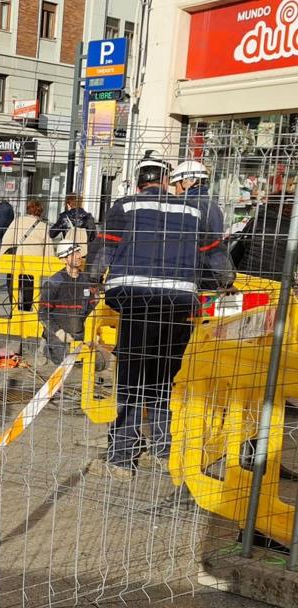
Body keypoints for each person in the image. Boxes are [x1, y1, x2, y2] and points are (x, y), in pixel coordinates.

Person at [85, 152, 235, 480]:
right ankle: (163, 448)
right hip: (180, 303)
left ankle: (122, 455)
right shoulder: (193, 211)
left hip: (136, 301)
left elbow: (103, 253)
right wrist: (224, 283)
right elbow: (217, 260)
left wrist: (91, 282)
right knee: (164, 379)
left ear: (138, 182)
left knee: (131, 380)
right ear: (167, 182)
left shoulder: (124, 207)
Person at [38, 237, 98, 365]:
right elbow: (43, 313)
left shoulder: (86, 281)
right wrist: (59, 332)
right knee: (66, 361)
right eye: (72, 254)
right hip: (59, 333)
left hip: (79, 333)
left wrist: (93, 332)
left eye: (78, 252)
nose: (78, 256)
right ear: (63, 259)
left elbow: (92, 309)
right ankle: (46, 347)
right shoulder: (54, 282)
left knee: (99, 362)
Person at [229, 174, 296, 281]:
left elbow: (239, 248)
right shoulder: (294, 229)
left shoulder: (258, 221)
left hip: (247, 277)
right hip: (280, 282)